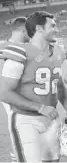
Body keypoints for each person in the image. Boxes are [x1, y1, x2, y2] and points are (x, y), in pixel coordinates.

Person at [0, 11, 67, 162]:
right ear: (39, 29)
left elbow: (59, 85)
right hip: (26, 120)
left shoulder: (58, 51)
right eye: (52, 26)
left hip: (51, 119)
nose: (56, 29)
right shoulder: (21, 52)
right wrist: (39, 107)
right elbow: (4, 93)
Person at [0, 17, 30, 162]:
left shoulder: (21, 47)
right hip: (12, 95)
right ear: (22, 30)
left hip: (24, 95)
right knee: (19, 126)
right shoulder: (5, 49)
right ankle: (18, 157)